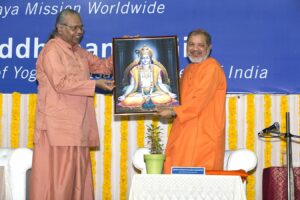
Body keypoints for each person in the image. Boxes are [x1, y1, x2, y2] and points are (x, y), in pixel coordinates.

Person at [30, 9, 114, 200]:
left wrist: (125, 48)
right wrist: (94, 84)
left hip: (78, 127)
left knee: (78, 184)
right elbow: (61, 84)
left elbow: (103, 66)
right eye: (74, 27)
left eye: (81, 28)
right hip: (57, 130)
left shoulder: (78, 51)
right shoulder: (51, 50)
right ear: (60, 28)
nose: (79, 32)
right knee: (60, 185)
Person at [157, 29, 227, 174]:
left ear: (209, 47)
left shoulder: (212, 67)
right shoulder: (188, 69)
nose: (195, 49)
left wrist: (172, 111)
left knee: (200, 188)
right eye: (191, 44)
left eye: (200, 45)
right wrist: (161, 103)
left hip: (203, 137)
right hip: (183, 133)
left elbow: (198, 101)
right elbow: (179, 101)